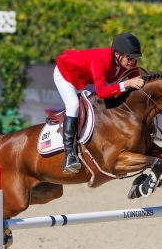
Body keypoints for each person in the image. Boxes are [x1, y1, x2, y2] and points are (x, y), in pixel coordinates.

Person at [54, 32, 145, 174]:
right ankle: (69, 156)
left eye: (135, 58)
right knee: (73, 105)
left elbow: (138, 82)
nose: (132, 62)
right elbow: (102, 92)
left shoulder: (126, 60)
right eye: (130, 58)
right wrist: (127, 83)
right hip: (66, 73)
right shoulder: (100, 60)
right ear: (117, 54)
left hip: (87, 77)